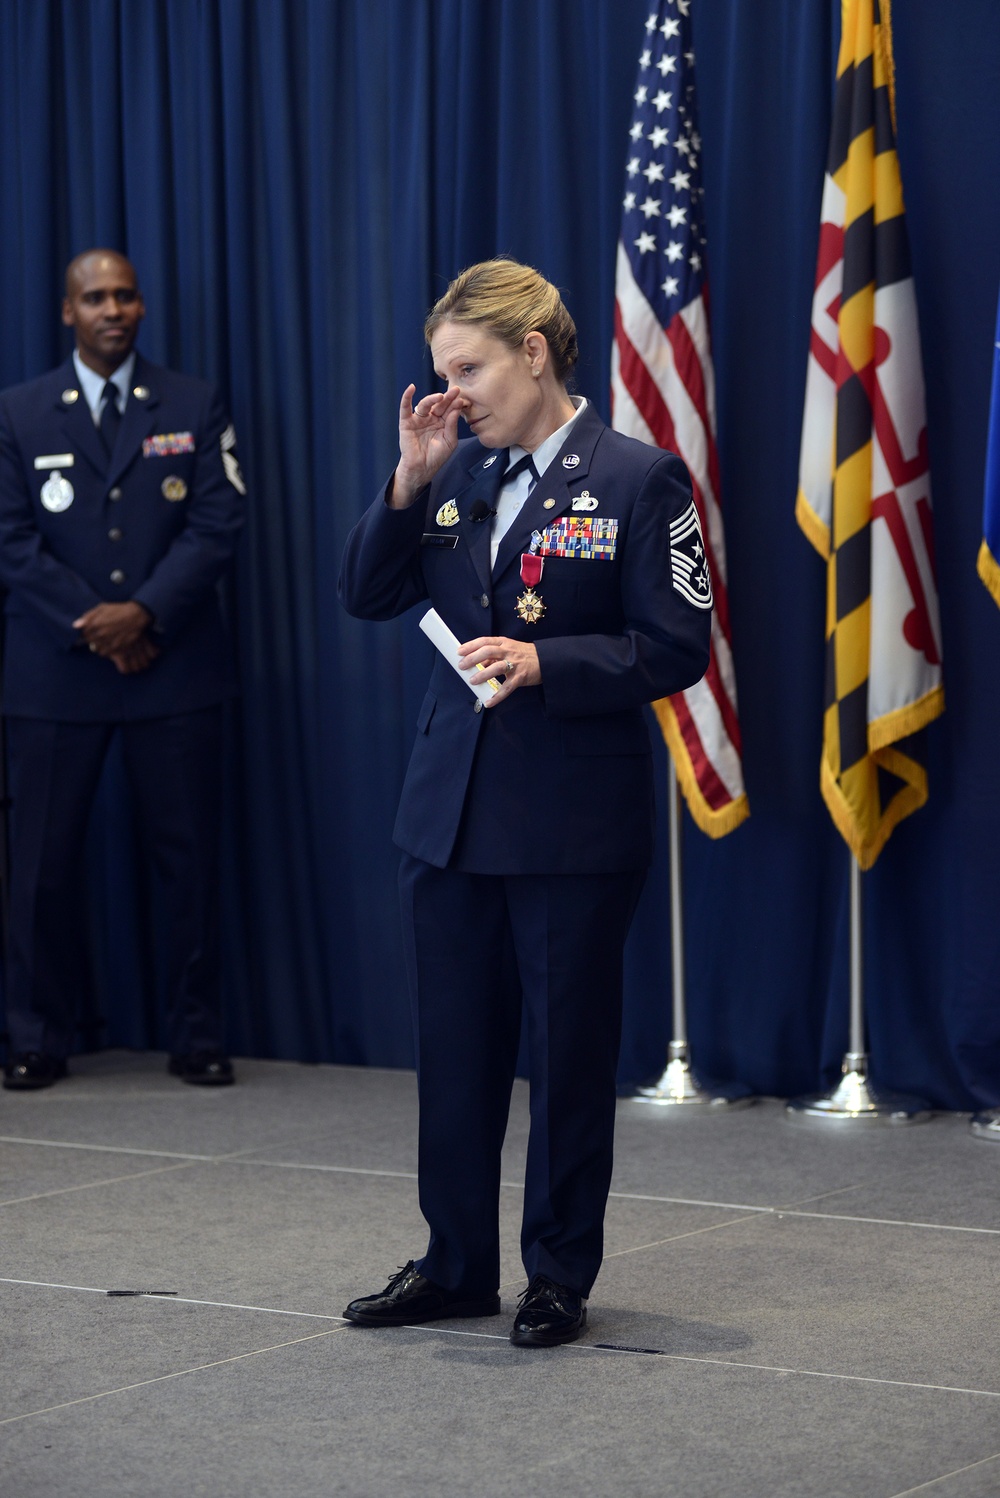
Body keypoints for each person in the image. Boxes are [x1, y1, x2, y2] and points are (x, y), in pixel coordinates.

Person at [339, 258, 712, 1347]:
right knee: (454, 1055)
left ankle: (556, 1271)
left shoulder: (640, 479)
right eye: (440, 373)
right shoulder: (454, 471)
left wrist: (553, 663)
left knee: (564, 1057)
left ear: (534, 353)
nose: (451, 393)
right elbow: (364, 592)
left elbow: (676, 645)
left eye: (468, 367)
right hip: (447, 816)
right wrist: (408, 479)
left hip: (570, 822)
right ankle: (454, 1263)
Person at [0, 248, 246, 1091]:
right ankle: (35, 1034)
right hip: (53, 675)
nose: (114, 308)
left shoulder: (192, 401)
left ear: (142, 308)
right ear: (66, 312)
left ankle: (197, 1034)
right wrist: (94, 624)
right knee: (39, 867)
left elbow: (218, 522)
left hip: (173, 668)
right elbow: (11, 541)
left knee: (189, 865)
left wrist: (142, 614)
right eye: (95, 297)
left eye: (126, 295)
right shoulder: (19, 412)